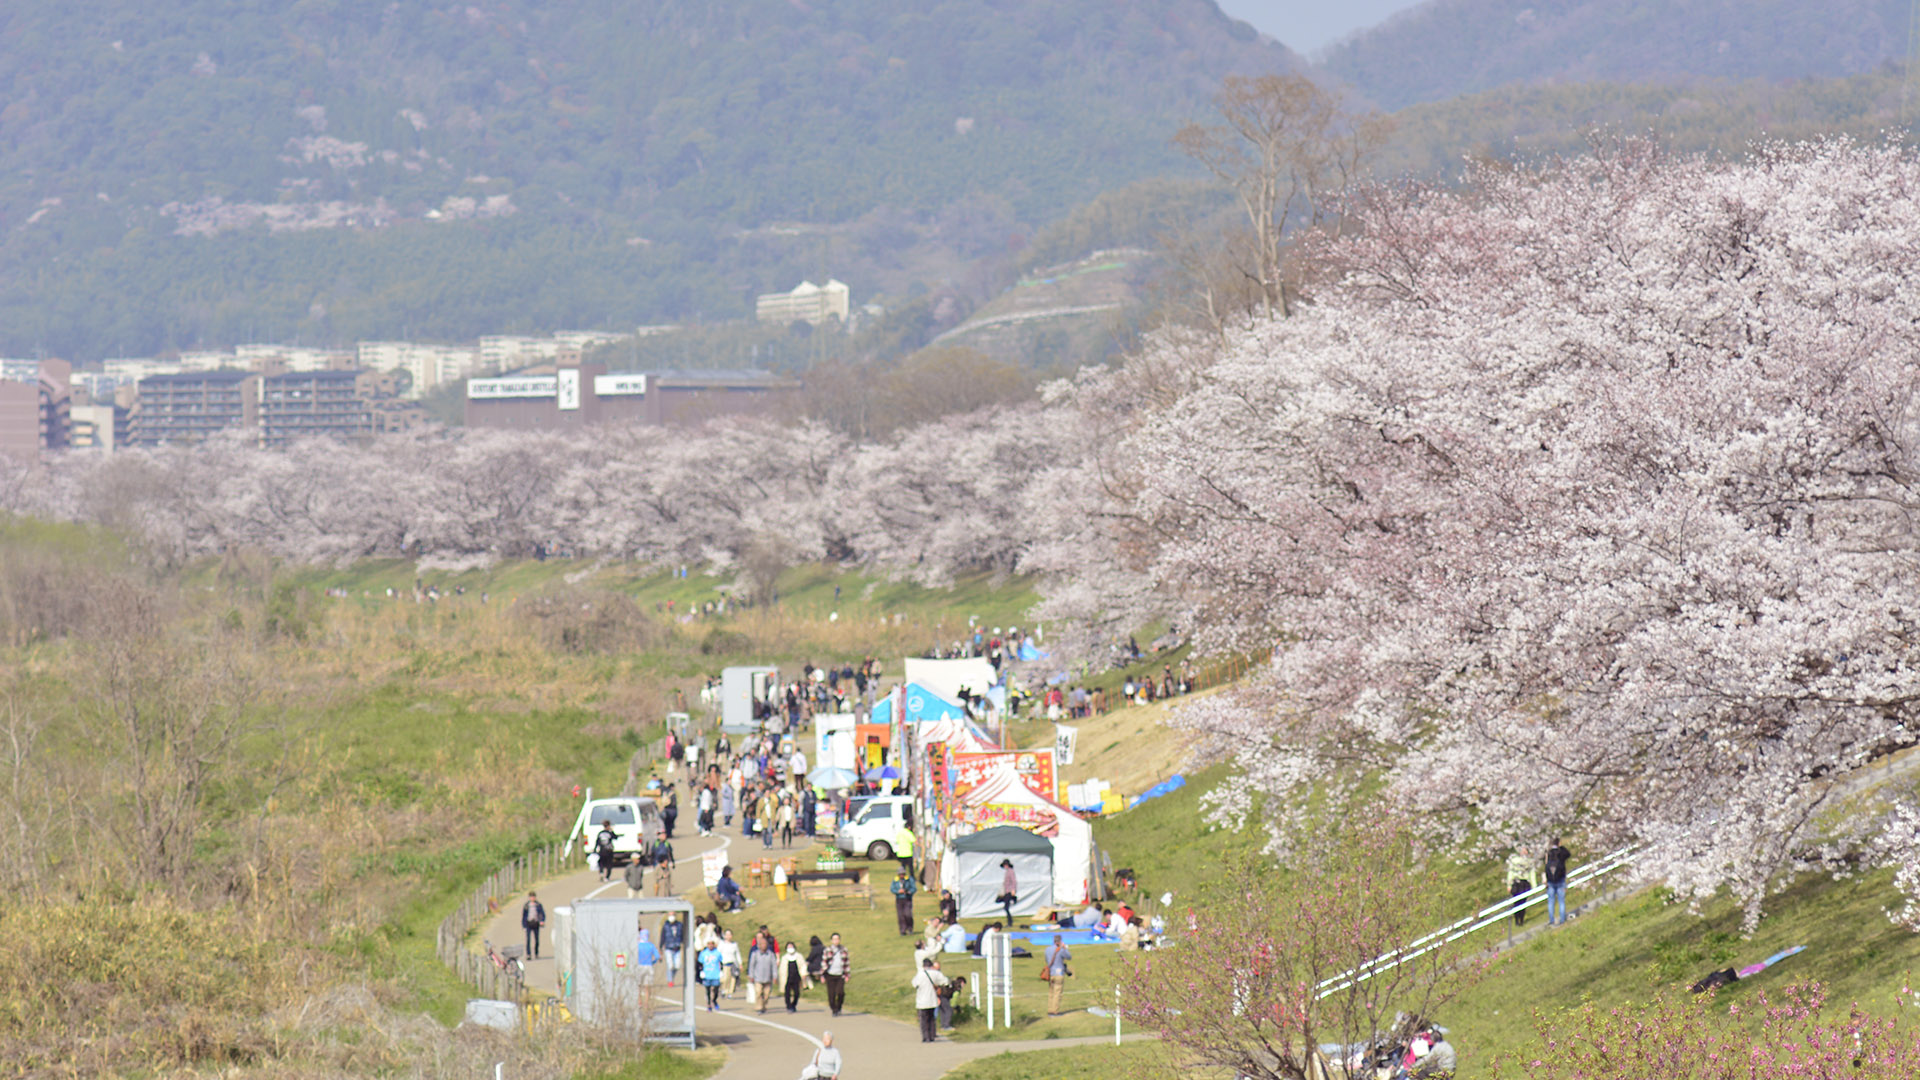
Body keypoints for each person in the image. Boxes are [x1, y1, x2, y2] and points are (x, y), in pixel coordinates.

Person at [911, 957, 951, 1042]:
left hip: (922, 1001)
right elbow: (945, 981)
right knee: (931, 1018)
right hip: (932, 999)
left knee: (923, 1020)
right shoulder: (935, 973)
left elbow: (914, 984)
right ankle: (932, 1035)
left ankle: (926, 1037)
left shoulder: (920, 974)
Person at [1506, 848, 1538, 927]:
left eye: (1525, 851)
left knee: (1523, 902)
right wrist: (1509, 885)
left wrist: (1534, 886)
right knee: (1517, 902)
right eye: (1523, 851)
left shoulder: (1529, 862)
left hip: (1525, 883)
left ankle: (1521, 919)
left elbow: (1532, 874)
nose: (1524, 852)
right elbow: (1511, 872)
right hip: (1516, 883)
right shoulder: (1515, 861)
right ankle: (1517, 919)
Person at [747, 932, 779, 1014]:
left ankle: (764, 1005)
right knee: (758, 992)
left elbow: (774, 966)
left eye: (765, 944)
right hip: (758, 978)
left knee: (766, 994)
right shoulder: (755, 954)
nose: (764, 945)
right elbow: (751, 965)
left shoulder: (771, 954)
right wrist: (751, 975)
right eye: (762, 944)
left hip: (768, 978)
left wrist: (775, 976)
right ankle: (759, 1007)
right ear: (759, 945)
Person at [821, 932, 851, 1017]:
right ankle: (834, 1009)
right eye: (834, 939)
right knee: (831, 994)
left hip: (840, 975)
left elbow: (847, 963)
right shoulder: (827, 950)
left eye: (837, 939)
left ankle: (839, 1007)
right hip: (830, 975)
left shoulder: (844, 950)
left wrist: (847, 974)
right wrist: (822, 975)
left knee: (840, 992)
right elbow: (824, 963)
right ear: (831, 940)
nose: (836, 941)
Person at [1544, 837, 1572, 926]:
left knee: (1551, 901)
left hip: (1550, 881)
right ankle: (1562, 919)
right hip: (1561, 879)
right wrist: (1562, 847)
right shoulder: (1561, 852)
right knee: (1561, 901)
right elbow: (1568, 854)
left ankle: (1551, 920)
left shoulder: (1548, 853)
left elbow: (1545, 866)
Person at [1044, 933, 1072, 1017]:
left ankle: (1050, 1009)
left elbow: (1047, 960)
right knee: (1057, 993)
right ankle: (1055, 1011)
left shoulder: (1047, 949)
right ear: (1060, 941)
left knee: (1051, 992)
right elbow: (1069, 957)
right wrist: (1065, 948)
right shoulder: (1061, 950)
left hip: (1051, 973)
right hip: (1059, 973)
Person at [778, 940, 810, 1012]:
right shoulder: (784, 958)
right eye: (789, 947)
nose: (790, 948)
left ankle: (794, 1004)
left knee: (796, 993)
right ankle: (788, 1006)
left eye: (791, 947)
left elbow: (803, 966)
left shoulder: (799, 956)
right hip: (787, 978)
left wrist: (803, 974)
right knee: (787, 994)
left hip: (796, 978)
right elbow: (781, 969)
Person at [697, 937, 725, 1010]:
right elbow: (700, 963)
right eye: (709, 944)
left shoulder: (717, 953)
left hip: (715, 974)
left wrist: (721, 971)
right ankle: (709, 1003)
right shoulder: (704, 953)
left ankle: (714, 1000)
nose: (710, 945)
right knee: (708, 990)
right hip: (707, 974)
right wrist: (701, 971)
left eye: (712, 944)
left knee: (716, 990)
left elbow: (721, 962)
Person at [660, 912, 686, 986]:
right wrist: (661, 947)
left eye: (673, 915)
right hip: (668, 947)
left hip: (677, 947)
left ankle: (672, 977)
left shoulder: (679, 925)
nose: (672, 917)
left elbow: (683, 935)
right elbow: (662, 937)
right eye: (670, 915)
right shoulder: (665, 926)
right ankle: (670, 980)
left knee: (677, 966)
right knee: (670, 965)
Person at [891, 868, 918, 935]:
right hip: (899, 899)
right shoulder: (895, 880)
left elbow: (914, 888)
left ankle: (910, 928)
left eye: (903, 874)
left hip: (907, 899)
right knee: (901, 916)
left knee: (908, 914)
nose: (902, 875)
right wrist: (898, 891)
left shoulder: (909, 879)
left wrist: (909, 892)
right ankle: (902, 930)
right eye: (900, 874)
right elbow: (892, 889)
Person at [718, 929, 743, 1000]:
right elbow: (718, 954)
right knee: (725, 978)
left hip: (733, 964)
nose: (728, 936)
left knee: (733, 979)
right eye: (727, 935)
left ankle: (730, 992)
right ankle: (724, 990)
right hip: (725, 964)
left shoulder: (734, 944)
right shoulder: (722, 944)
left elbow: (737, 954)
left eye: (730, 935)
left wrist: (740, 964)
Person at [520, 891, 546, 959]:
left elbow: (542, 914)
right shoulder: (526, 906)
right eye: (531, 897)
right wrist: (524, 925)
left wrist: (542, 921)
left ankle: (536, 953)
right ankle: (528, 954)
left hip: (536, 923)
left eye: (533, 897)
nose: (532, 898)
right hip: (529, 923)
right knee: (528, 940)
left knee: (536, 940)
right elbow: (524, 916)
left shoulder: (538, 905)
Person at [634, 926, 660, 994]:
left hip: (639, 966)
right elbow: (657, 956)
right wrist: (652, 962)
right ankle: (646, 1003)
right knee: (647, 986)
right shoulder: (651, 945)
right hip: (649, 966)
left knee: (638, 985)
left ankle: (639, 1001)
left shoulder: (637, 946)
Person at [996, 858, 1018, 923]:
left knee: (1006, 907)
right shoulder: (1007, 871)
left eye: (1006, 865)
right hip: (1006, 891)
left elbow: (1014, 881)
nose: (1005, 866)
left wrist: (1013, 889)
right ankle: (1013, 898)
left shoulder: (1011, 871)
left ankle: (1010, 922)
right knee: (999, 901)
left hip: (1009, 891)